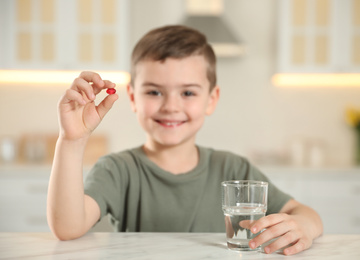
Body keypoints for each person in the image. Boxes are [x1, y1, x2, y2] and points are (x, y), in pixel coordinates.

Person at [47, 25, 323, 255]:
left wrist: (304, 226)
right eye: (154, 92)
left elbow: (305, 213)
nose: (170, 106)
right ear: (132, 97)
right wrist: (71, 140)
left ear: (211, 99)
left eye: (188, 93)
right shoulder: (117, 170)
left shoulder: (233, 169)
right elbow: (67, 228)